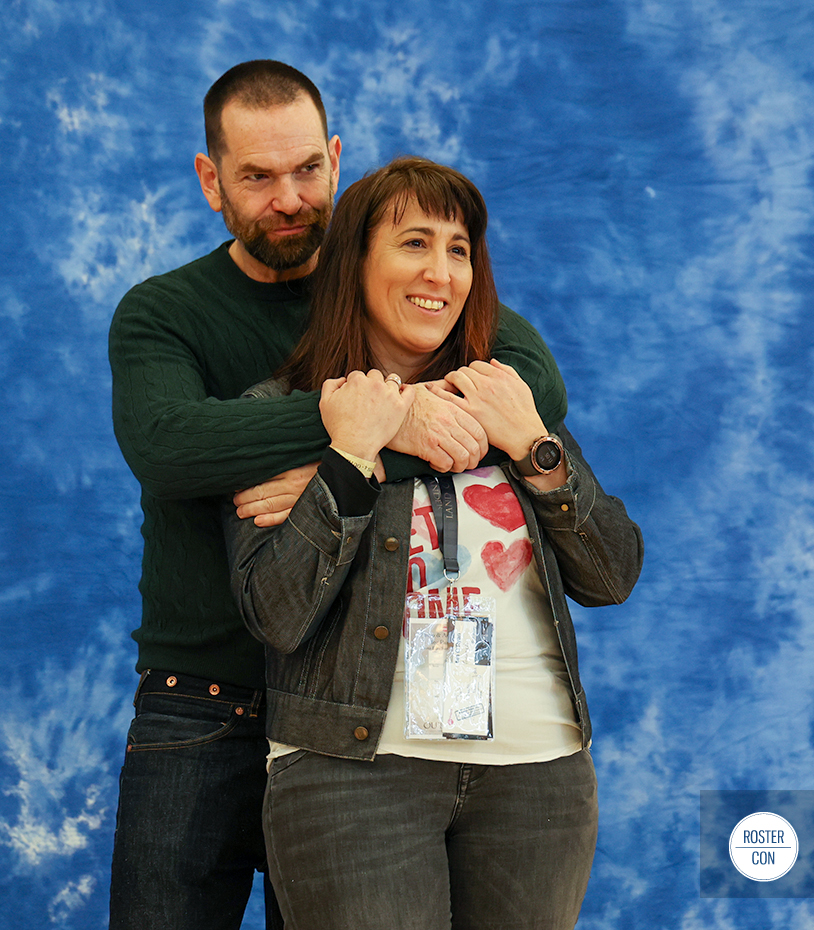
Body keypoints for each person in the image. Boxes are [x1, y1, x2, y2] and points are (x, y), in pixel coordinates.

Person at [107, 62, 571, 929]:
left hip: (356, 710)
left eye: (308, 170)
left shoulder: (392, 278)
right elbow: (169, 447)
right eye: (256, 177)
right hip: (203, 696)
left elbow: (532, 388)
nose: (288, 198)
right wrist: (370, 427)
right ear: (211, 181)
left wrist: (370, 460)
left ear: (335, 156)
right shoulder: (162, 313)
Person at [223, 157, 644, 929]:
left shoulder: (508, 399)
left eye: (459, 250)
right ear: (355, 262)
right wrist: (348, 462)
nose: (441, 272)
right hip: (355, 775)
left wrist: (534, 448)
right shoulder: (285, 415)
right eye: (415, 242)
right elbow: (275, 614)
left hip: (537, 772)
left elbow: (613, 573)